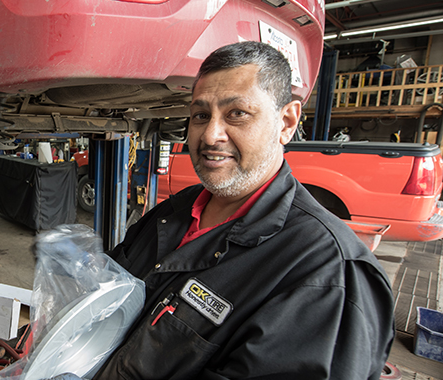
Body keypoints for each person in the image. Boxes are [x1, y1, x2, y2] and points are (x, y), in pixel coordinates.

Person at [91, 42, 395, 379]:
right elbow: (107, 297)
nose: (210, 135)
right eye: (201, 115)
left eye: (237, 113)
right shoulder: (174, 211)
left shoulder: (325, 273)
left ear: (286, 122)